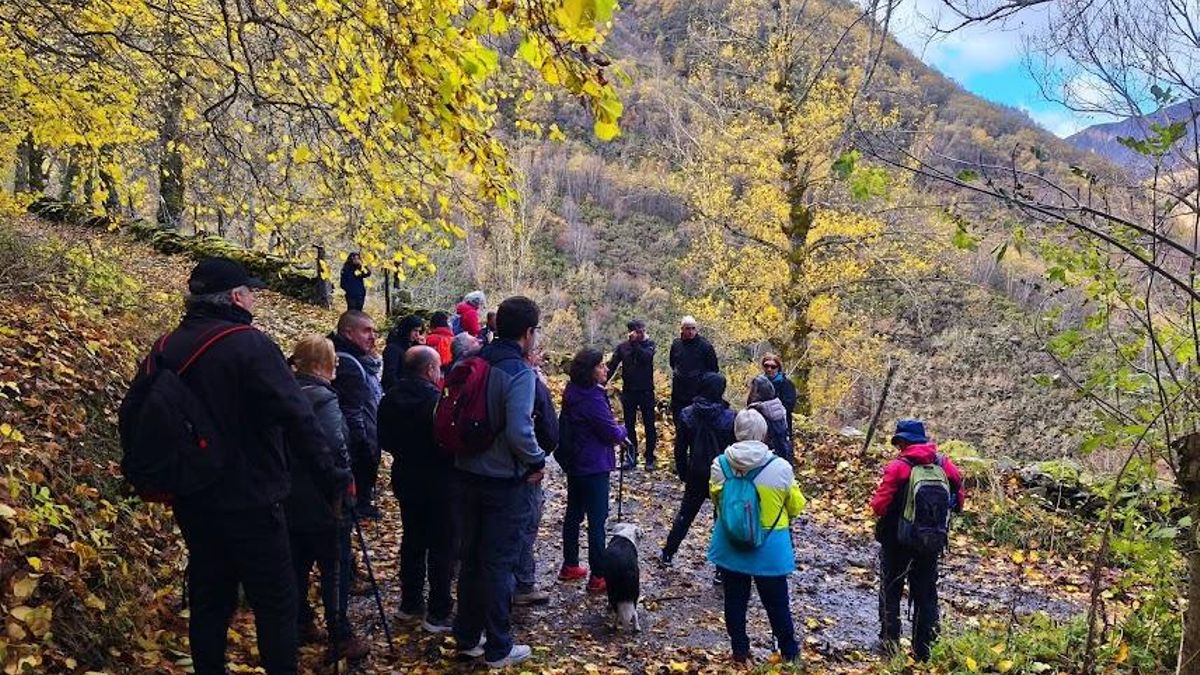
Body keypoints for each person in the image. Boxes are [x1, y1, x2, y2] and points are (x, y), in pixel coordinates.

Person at [145, 257, 349, 675]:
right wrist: (331, 477)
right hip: (251, 496)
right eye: (251, 291)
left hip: (193, 494)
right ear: (237, 297)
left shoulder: (167, 346)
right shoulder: (249, 344)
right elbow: (298, 417)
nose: (254, 298)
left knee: (209, 598)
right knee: (276, 601)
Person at [452, 296, 546, 668]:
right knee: (498, 564)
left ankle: (466, 636)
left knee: (471, 559)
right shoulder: (519, 372)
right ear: (527, 333)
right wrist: (537, 460)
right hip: (503, 482)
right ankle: (498, 646)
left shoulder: (472, 360)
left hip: (465, 474)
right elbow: (521, 431)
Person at [283, 336, 367, 661]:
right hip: (324, 498)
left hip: (289, 496)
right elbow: (336, 447)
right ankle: (340, 634)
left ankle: (301, 622)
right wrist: (345, 483)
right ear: (322, 364)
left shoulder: (285, 395)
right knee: (335, 566)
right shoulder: (323, 399)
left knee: (297, 564)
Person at [709, 409, 806, 666]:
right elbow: (796, 505)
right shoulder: (781, 467)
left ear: (736, 432)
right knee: (777, 604)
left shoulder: (720, 464)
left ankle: (740, 652)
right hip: (770, 546)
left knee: (735, 600)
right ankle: (789, 654)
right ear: (763, 433)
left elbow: (717, 499)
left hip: (731, 542)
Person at [870, 419, 965, 661]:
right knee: (926, 593)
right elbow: (959, 498)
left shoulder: (898, 467)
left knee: (890, 590)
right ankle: (925, 649)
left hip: (896, 541)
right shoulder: (944, 464)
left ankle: (890, 644)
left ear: (902, 441)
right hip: (931, 541)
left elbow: (879, 507)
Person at [378, 346, 457, 632]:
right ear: (429, 371)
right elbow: (448, 441)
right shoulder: (436, 402)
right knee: (442, 545)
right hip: (439, 481)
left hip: (405, 475)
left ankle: (410, 604)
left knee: (412, 540)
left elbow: (383, 439)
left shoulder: (389, 398)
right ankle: (439, 610)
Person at [558, 347, 628, 595]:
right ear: (590, 371)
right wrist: (623, 432)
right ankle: (598, 575)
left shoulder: (573, 391)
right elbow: (609, 432)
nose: (606, 369)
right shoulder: (592, 398)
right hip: (594, 464)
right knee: (597, 520)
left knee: (574, 514)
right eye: (601, 366)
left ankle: (570, 564)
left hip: (576, 461)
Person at [661, 372, 735, 570]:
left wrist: (684, 472)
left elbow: (679, 449)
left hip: (696, 471)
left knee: (685, 514)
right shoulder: (730, 417)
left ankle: (668, 553)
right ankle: (722, 568)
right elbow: (734, 449)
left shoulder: (687, 413)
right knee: (722, 520)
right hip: (722, 474)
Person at [329, 310, 384, 520]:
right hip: (355, 443)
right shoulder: (347, 364)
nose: (372, 337)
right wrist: (363, 445)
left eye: (374, 331)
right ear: (348, 333)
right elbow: (352, 412)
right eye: (366, 331)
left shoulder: (356, 359)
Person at [515, 346, 559, 606]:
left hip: (480, 469)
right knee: (524, 525)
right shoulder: (527, 381)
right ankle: (521, 585)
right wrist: (537, 460)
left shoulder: (482, 366)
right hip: (523, 469)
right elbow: (548, 430)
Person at [607, 319, 657, 471]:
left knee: (649, 425)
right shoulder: (623, 347)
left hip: (646, 391)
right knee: (629, 425)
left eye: (641, 330)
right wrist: (600, 382)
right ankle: (631, 457)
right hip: (629, 391)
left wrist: (635, 344)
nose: (641, 333)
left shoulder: (650, 345)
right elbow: (612, 365)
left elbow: (645, 358)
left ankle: (650, 458)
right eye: (637, 331)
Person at [669, 316, 718, 451]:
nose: (690, 332)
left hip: (698, 396)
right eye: (687, 329)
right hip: (679, 395)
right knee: (680, 431)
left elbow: (713, 371)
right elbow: (673, 364)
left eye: (693, 328)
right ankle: (681, 465)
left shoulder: (705, 346)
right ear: (682, 330)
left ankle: (696, 463)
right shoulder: (676, 344)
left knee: (698, 433)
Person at [746, 375, 795, 464]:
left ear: (756, 392)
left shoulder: (756, 412)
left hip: (763, 456)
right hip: (782, 453)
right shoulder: (779, 406)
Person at [382, 314, 425, 391]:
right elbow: (390, 377)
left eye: (419, 331)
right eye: (415, 330)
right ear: (407, 330)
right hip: (397, 393)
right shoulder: (393, 348)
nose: (417, 335)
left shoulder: (412, 346)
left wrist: (420, 347)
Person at [760, 353, 797, 435]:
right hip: (761, 425)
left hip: (781, 426)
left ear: (778, 368)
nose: (769, 369)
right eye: (766, 366)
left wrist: (768, 407)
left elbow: (789, 405)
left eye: (773, 367)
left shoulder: (786, 384)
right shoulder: (759, 383)